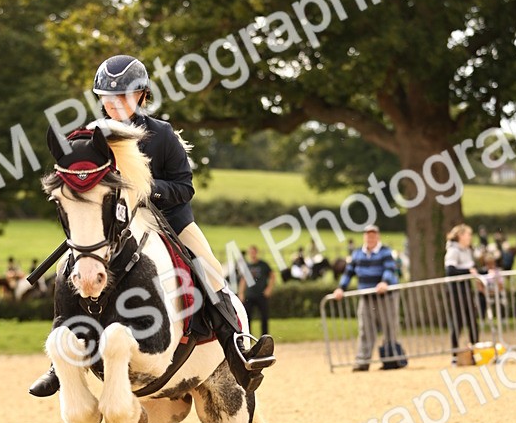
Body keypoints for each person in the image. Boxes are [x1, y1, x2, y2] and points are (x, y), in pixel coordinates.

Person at [29, 54, 275, 397]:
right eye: (108, 97)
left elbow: (184, 187)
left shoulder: (161, 134)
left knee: (211, 269)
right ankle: (60, 362)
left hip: (168, 222)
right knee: (69, 269)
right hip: (112, 226)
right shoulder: (88, 137)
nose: (115, 103)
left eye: (124, 96)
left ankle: (237, 350)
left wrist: (146, 188)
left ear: (141, 95)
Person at [331, 225, 400, 371]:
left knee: (389, 327)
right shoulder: (357, 254)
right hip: (366, 296)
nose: (371, 238)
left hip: (385, 296)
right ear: (364, 237)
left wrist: (384, 282)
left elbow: (389, 269)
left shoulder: (385, 252)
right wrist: (340, 288)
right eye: (368, 235)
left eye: (373, 235)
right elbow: (348, 273)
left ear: (378, 236)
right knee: (365, 329)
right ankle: (363, 361)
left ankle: (390, 359)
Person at [444, 224, 480, 362]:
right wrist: (468, 272)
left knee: (472, 320)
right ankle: (454, 355)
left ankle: (475, 351)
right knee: (457, 322)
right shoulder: (453, 251)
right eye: (467, 235)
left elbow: (472, 269)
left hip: (466, 289)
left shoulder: (467, 250)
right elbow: (450, 271)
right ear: (460, 236)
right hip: (455, 291)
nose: (470, 237)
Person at [239, 245, 275, 336]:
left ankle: (265, 337)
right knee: (247, 318)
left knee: (264, 317)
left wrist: (269, 289)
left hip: (261, 295)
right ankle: (248, 337)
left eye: (254, 252)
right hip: (249, 295)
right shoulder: (247, 266)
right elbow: (243, 280)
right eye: (251, 252)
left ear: (256, 252)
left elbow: (272, 276)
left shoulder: (263, 265)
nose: (252, 254)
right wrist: (241, 293)